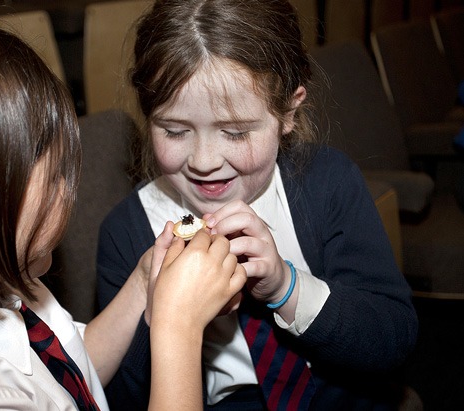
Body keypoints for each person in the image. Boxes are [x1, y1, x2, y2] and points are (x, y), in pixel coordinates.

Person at [0, 8, 246, 411]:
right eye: (55, 176)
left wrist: (145, 280)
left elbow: (73, 368)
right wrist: (178, 328)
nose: (69, 191)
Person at [96, 0, 419, 410]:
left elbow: (393, 340)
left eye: (235, 133)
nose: (204, 161)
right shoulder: (126, 232)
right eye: (174, 131)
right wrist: (160, 315)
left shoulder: (328, 184)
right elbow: (117, 398)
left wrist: (287, 287)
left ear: (288, 112)